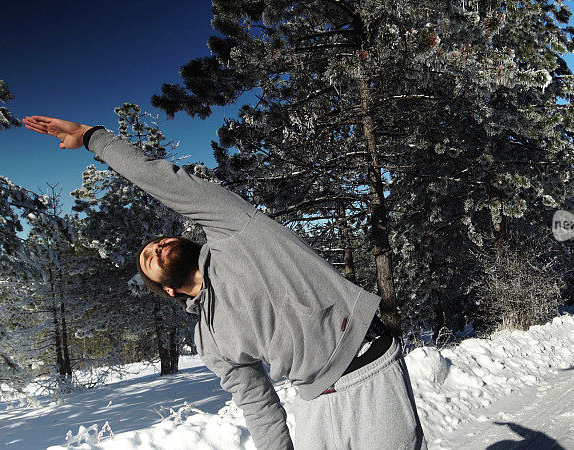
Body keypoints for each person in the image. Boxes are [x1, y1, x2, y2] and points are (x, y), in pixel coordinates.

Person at [23, 115, 426, 450]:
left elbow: (163, 181)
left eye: (159, 241)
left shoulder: (235, 233)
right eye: (149, 258)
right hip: (314, 400)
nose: (156, 247)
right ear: (167, 289)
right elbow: (256, 401)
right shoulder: (209, 339)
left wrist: (95, 139)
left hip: (365, 365)